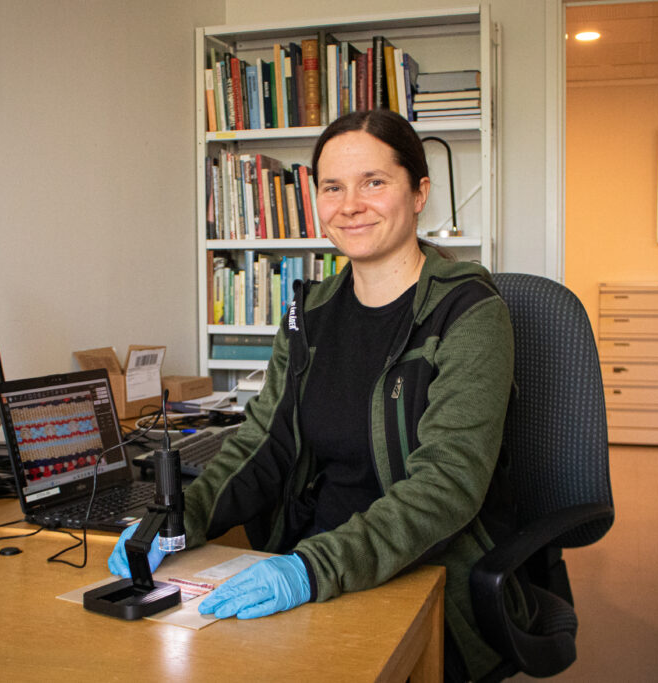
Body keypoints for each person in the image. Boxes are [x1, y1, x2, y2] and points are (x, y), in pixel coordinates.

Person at [110, 109, 522, 681]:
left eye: (373, 182)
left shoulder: (469, 312)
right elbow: (264, 442)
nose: (350, 205)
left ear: (419, 193)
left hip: (422, 569)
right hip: (309, 556)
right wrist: (181, 518)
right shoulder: (310, 312)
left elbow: (447, 484)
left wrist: (311, 569)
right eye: (332, 187)